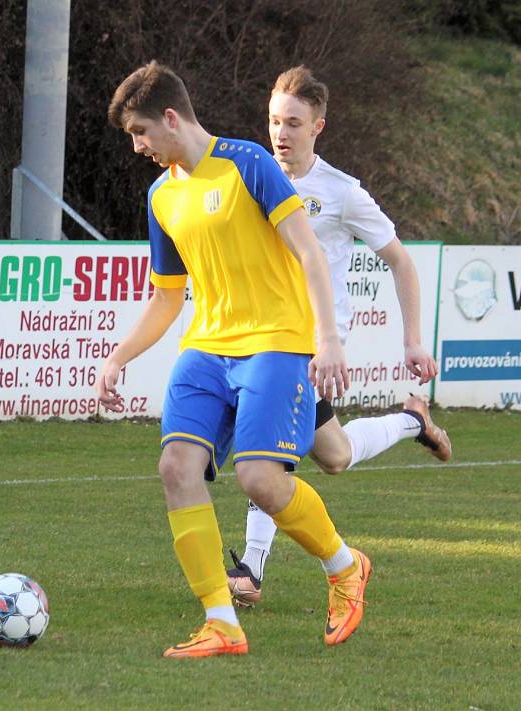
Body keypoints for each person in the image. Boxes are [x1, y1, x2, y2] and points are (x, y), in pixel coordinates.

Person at [100, 60, 371, 657]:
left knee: (260, 479)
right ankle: (221, 623)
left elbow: (308, 252)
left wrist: (327, 339)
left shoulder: (248, 163)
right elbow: (168, 296)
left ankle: (345, 567)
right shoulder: (162, 194)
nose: (138, 146)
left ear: (171, 117)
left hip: (277, 341)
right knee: (175, 467)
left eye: (141, 132)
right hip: (206, 347)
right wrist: (119, 356)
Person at [226, 65, 452, 607]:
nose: (281, 133)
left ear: (318, 128)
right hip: (257, 333)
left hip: (311, 345)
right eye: (275, 121)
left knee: (270, 453)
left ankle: (251, 568)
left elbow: (400, 262)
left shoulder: (342, 192)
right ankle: (410, 419)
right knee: (335, 455)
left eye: (294, 123)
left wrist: (413, 341)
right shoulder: (250, 176)